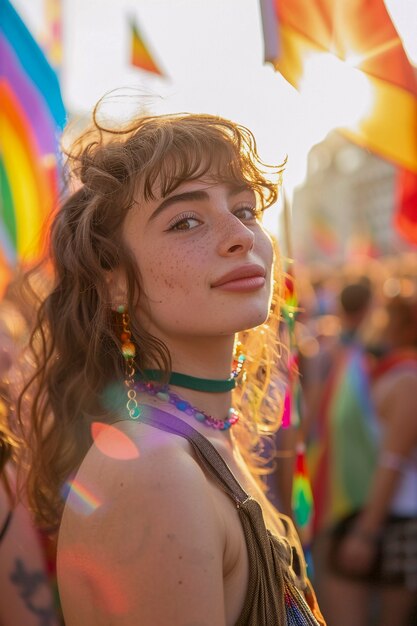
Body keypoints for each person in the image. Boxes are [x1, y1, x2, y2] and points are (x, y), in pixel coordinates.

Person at [18, 107, 325, 625]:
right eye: (186, 221)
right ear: (113, 280)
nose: (240, 235)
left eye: (246, 210)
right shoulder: (151, 473)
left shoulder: (205, 441)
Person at [333, 293, 417, 626]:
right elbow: (387, 460)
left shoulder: (402, 378)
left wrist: (366, 531)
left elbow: (392, 461)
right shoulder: (398, 375)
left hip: (390, 521)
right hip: (386, 519)